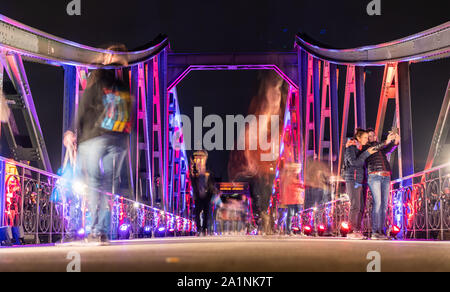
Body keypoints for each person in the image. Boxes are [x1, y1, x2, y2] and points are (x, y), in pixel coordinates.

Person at [63, 44, 132, 243]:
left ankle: (94, 230)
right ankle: (102, 231)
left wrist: (71, 130)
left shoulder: (99, 76)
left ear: (109, 57)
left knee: (94, 184)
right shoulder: (124, 82)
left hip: (94, 137)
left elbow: (84, 105)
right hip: (118, 139)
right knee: (109, 187)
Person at [363, 128, 400, 240]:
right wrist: (386, 141)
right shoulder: (366, 148)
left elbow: (389, 148)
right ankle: (375, 232)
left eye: (373, 135)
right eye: (369, 136)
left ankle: (381, 231)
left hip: (386, 176)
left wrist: (396, 140)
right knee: (378, 203)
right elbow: (378, 147)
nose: (372, 137)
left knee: (384, 206)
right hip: (374, 176)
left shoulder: (380, 149)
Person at [343, 129, 378, 239]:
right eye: (365, 137)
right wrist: (366, 154)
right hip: (353, 179)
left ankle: (357, 230)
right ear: (358, 138)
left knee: (361, 206)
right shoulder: (351, 147)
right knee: (355, 205)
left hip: (360, 180)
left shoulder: (360, 148)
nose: (367, 140)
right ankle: (351, 231)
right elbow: (354, 162)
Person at [190, 150, 216, 236]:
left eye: (201, 158)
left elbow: (212, 184)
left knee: (206, 213)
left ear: (205, 159)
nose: (199, 160)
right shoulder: (193, 173)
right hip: (198, 196)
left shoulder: (209, 172)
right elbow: (191, 181)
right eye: (197, 158)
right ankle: (199, 229)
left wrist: (212, 192)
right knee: (197, 213)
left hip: (207, 195)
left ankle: (204, 229)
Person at [279, 163, 304, 236]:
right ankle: (289, 230)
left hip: (297, 199)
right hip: (292, 199)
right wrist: (300, 187)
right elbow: (292, 187)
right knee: (291, 215)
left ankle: (296, 230)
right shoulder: (289, 178)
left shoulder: (294, 178)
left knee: (297, 215)